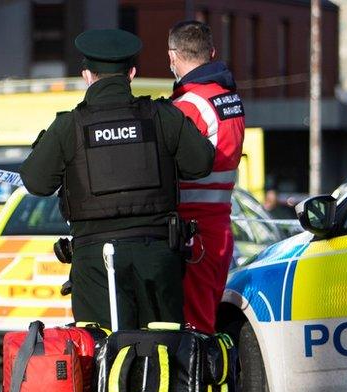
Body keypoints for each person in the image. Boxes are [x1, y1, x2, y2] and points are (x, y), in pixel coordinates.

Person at [21, 29, 214, 330]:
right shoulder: (163, 116)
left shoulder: (68, 127)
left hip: (95, 262)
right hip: (157, 257)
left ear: (87, 75)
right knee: (166, 347)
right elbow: (201, 163)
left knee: (101, 349)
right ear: (132, 73)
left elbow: (36, 182)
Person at [168, 20, 246, 334]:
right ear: (211, 53)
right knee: (208, 323)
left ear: (172, 57)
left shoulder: (189, 106)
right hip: (219, 225)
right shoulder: (229, 100)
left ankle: (198, 384)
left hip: (193, 232)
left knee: (193, 328)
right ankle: (221, 383)